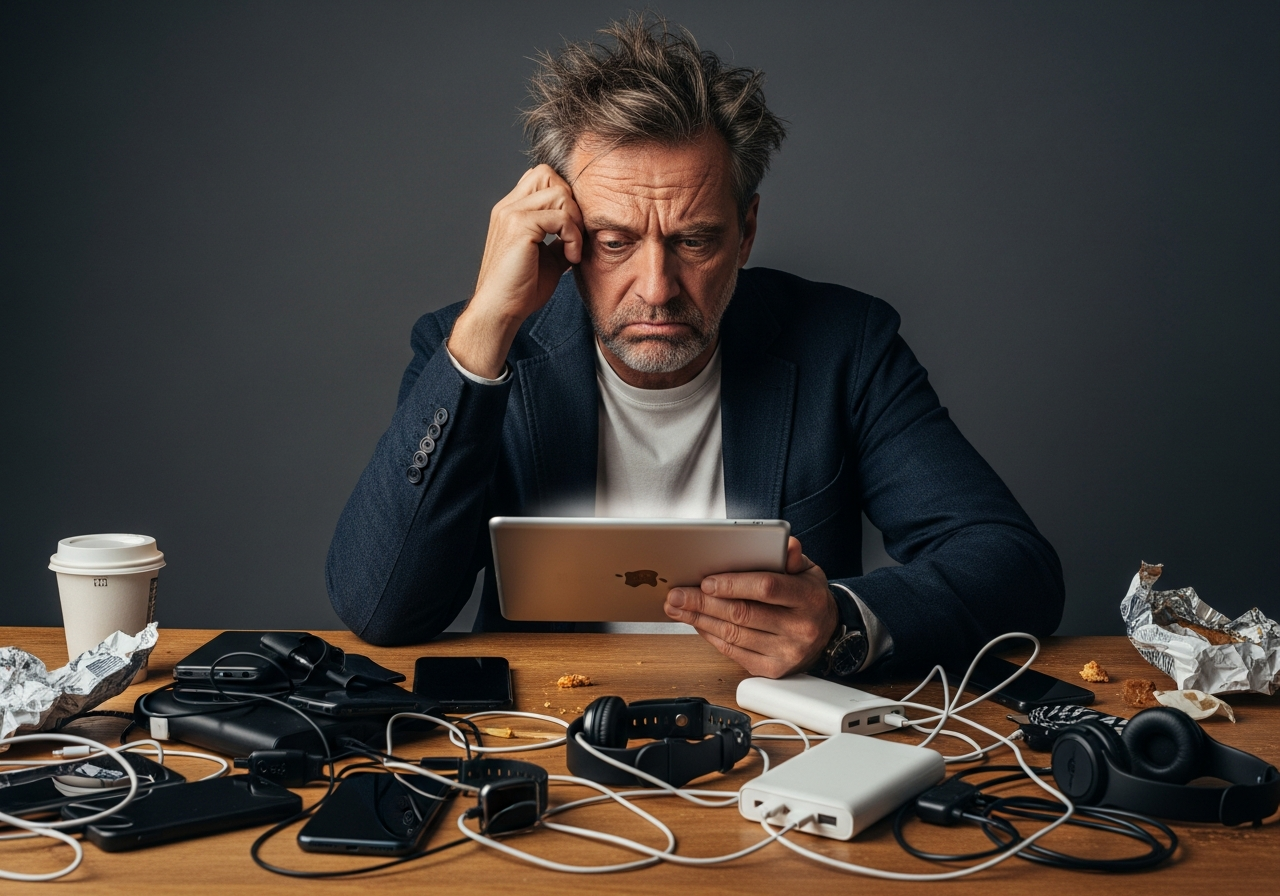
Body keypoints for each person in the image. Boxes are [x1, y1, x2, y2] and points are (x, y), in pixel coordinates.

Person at [326, 16, 1064, 678]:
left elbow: (1014, 567)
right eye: (616, 242)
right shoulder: (475, 350)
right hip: (552, 734)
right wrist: (488, 321)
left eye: (695, 241)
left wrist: (840, 621)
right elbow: (382, 606)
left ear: (745, 233)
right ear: (568, 236)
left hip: (784, 741)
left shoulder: (847, 345)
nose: (656, 287)